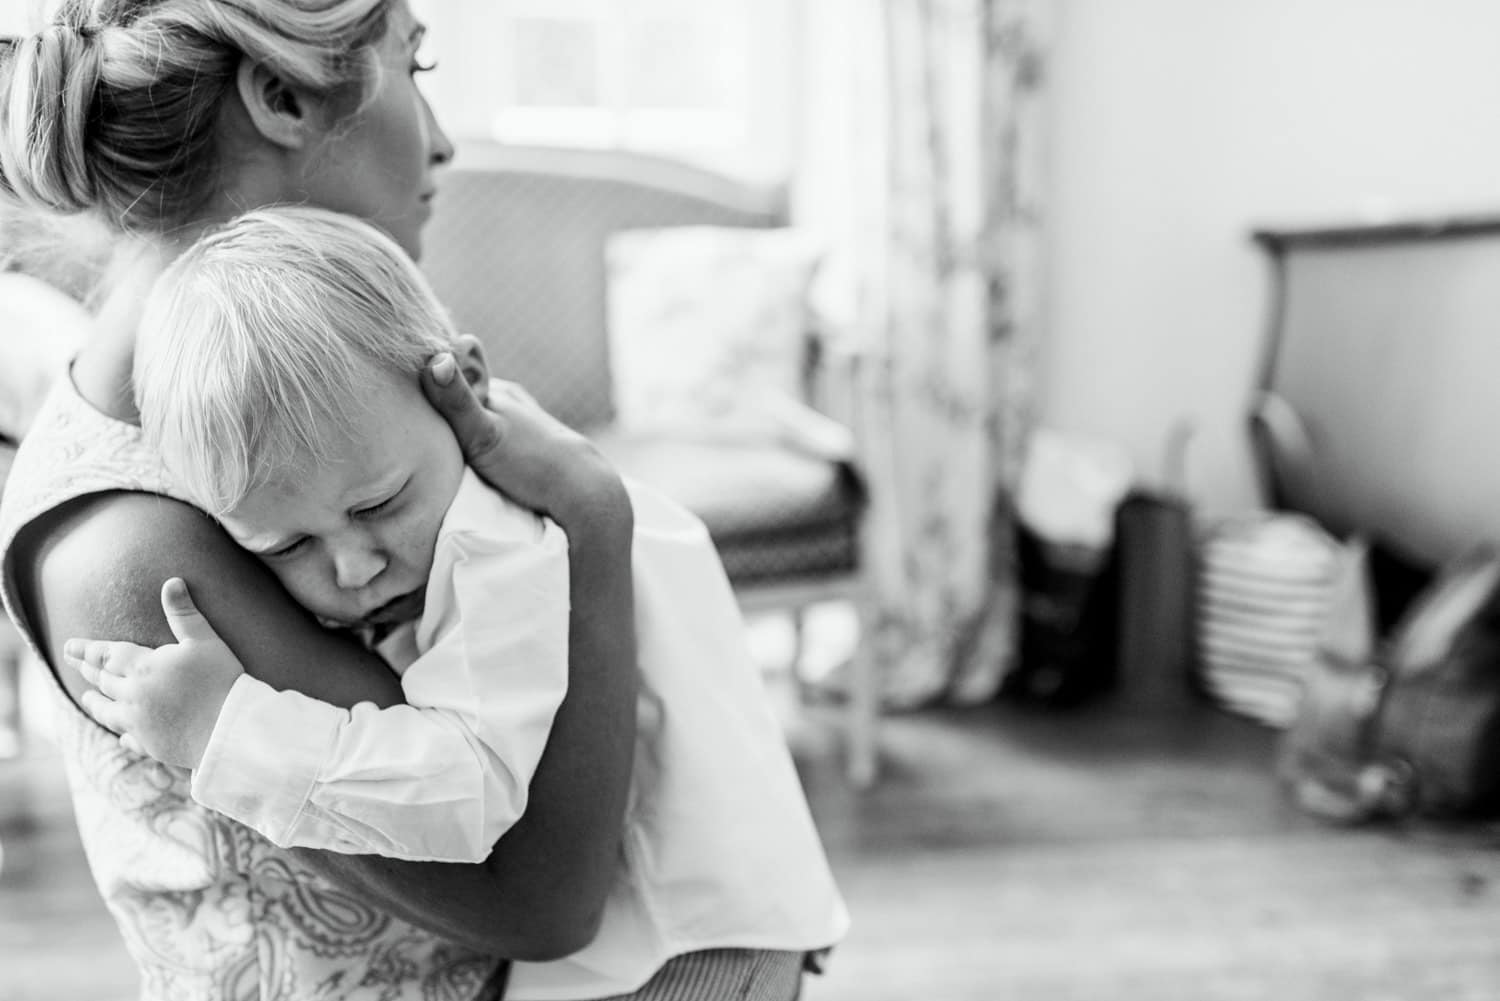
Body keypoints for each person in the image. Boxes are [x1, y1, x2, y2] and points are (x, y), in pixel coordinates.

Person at [0, 2, 641, 998]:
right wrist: (593, 518)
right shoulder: (131, 549)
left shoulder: (321, 397)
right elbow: (542, 898)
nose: (442, 136)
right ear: (281, 97)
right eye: (413, 64)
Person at [67, 205, 849, 999]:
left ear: (461, 389)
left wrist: (226, 733)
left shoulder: (499, 547)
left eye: (377, 505)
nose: (354, 566)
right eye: (285, 548)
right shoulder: (425, 483)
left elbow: (466, 790)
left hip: (689, 941)